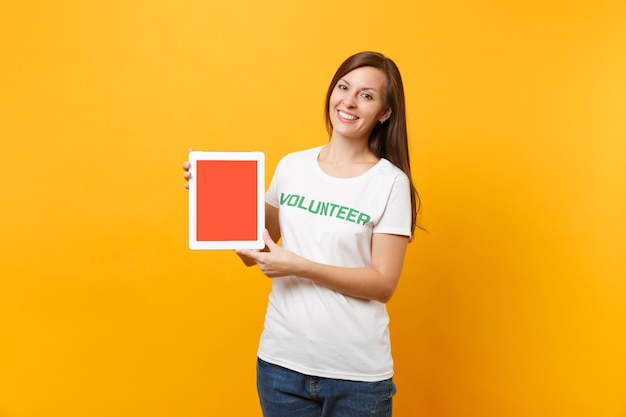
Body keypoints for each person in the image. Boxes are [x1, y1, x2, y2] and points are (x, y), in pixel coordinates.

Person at [183, 51, 421, 417]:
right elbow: (253, 251)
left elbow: (383, 284)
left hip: (356, 376)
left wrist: (298, 265)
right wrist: (213, 192)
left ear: (384, 112)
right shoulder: (292, 167)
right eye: (344, 87)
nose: (349, 101)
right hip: (281, 367)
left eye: (367, 95)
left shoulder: (390, 183)